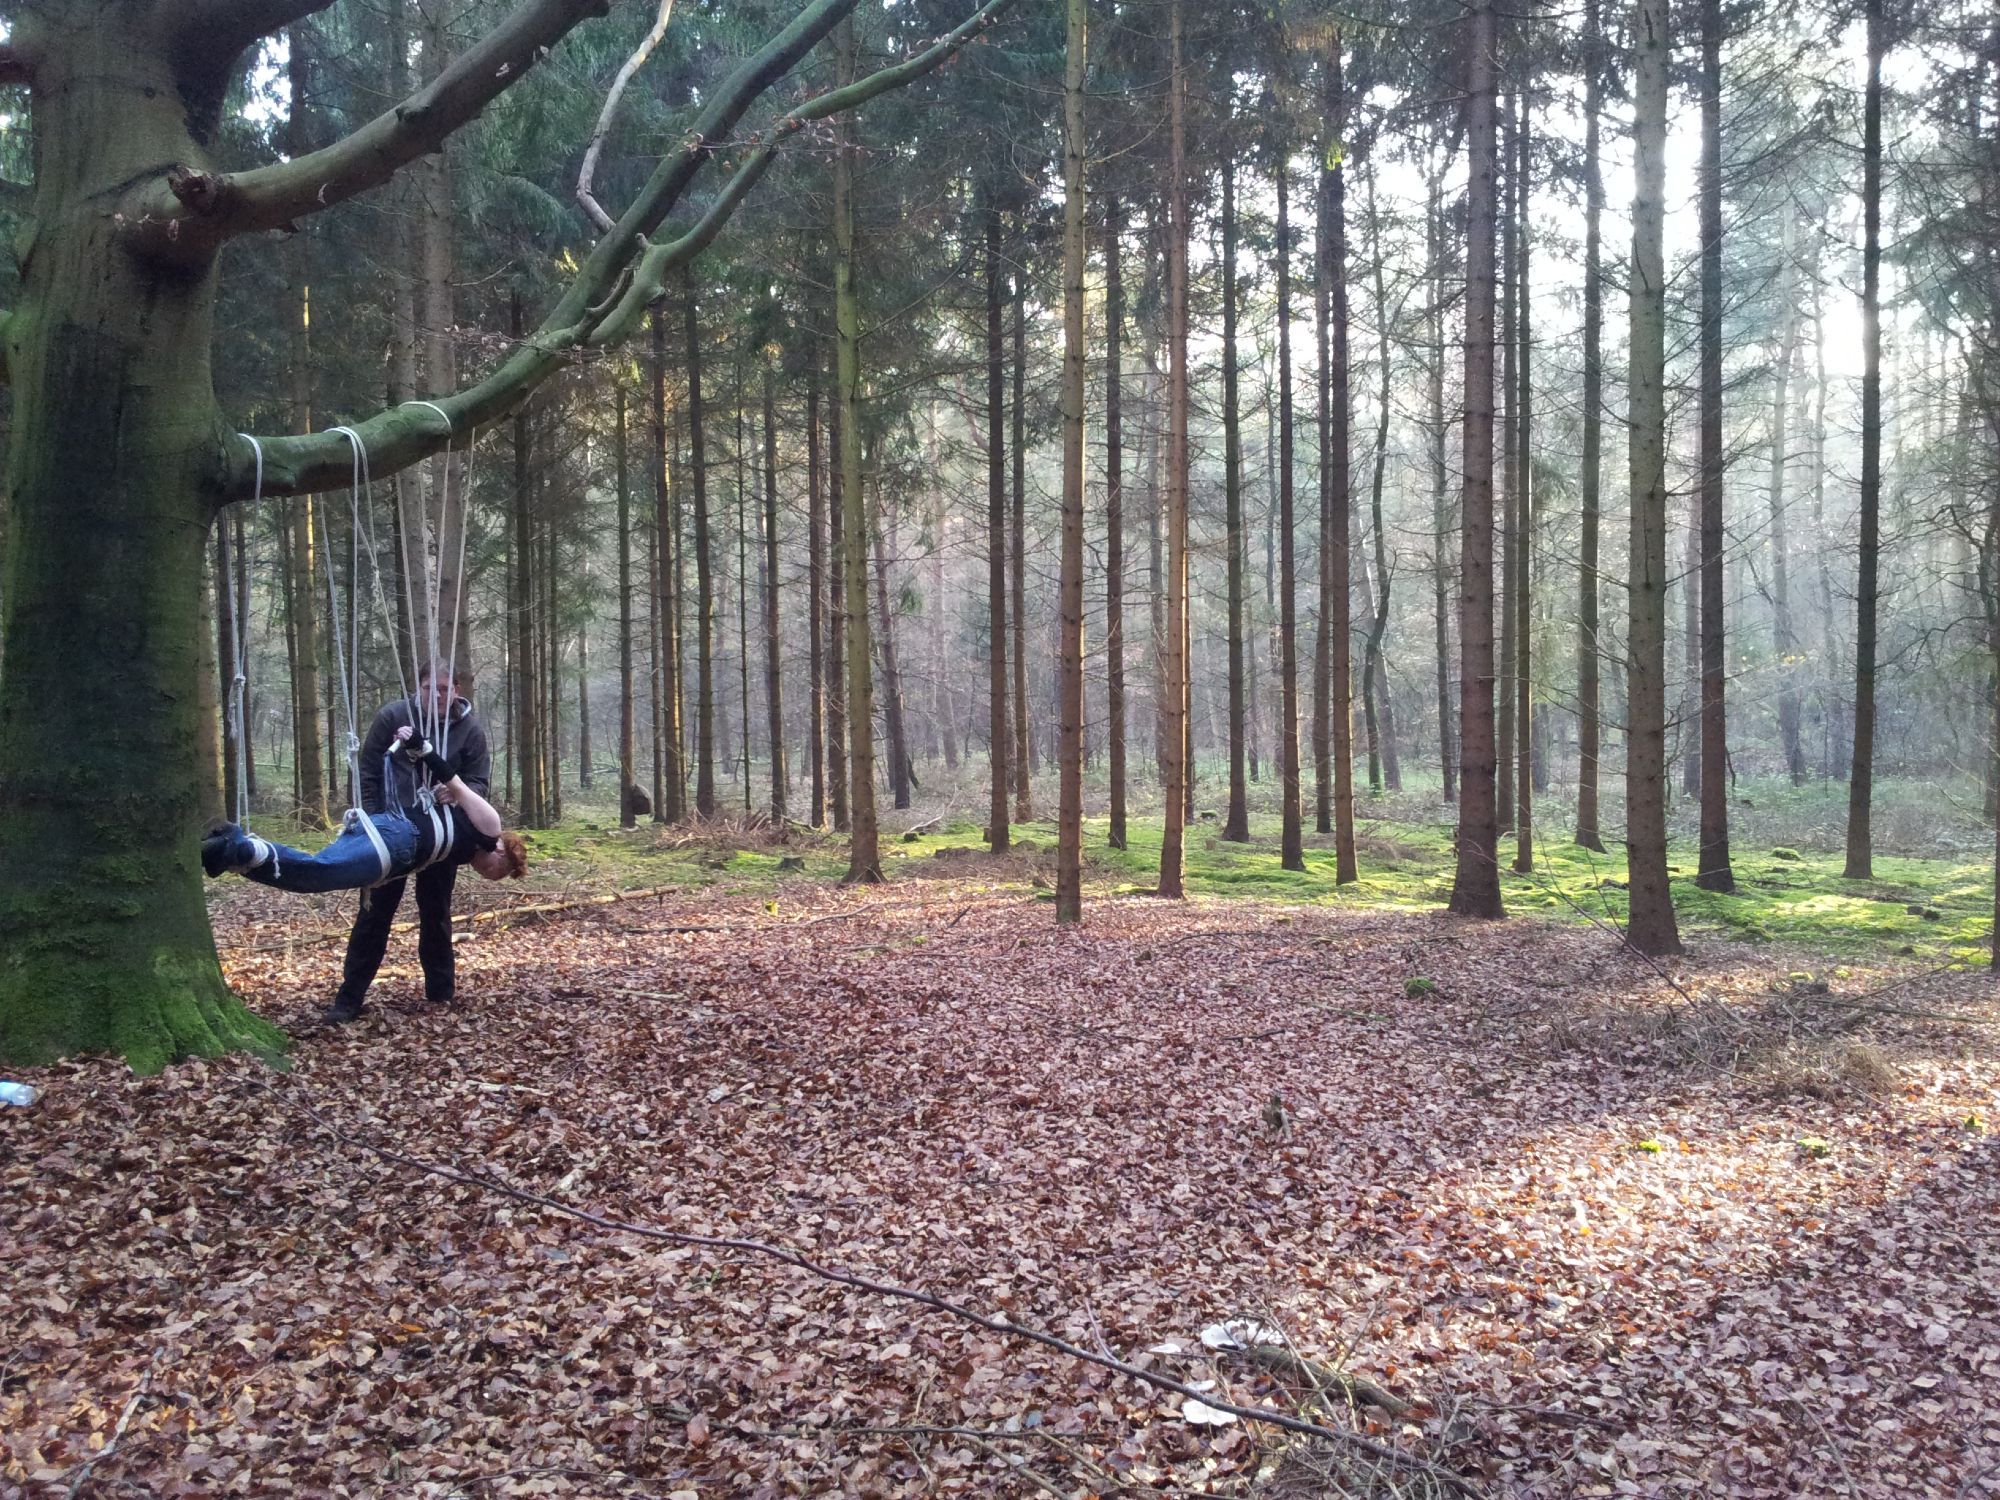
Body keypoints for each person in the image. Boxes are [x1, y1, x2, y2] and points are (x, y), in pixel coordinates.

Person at [324, 664, 493, 1022]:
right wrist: (375, 821)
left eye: (446, 689)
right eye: (431, 688)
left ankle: (440, 994)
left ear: (458, 689)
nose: (439, 696)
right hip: (393, 835)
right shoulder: (394, 716)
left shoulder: (470, 729)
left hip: (440, 835)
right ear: (420, 687)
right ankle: (349, 999)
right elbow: (367, 770)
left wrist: (458, 790)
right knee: (374, 912)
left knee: (436, 912)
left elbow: (480, 783)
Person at [202, 728, 527, 892]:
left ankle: (239, 854)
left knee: (316, 875)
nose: (484, 873)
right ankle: (240, 848)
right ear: (500, 849)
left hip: (396, 843)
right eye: (493, 871)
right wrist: (421, 746)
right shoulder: (490, 826)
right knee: (322, 872)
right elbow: (454, 782)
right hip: (398, 838)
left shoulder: (465, 846)